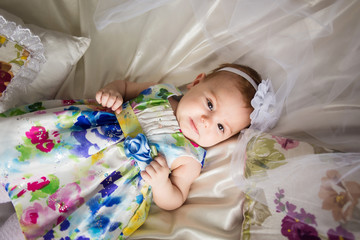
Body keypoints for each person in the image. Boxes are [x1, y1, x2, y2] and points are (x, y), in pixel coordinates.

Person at [0, 63, 262, 239]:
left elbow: (175, 198)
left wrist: (161, 183)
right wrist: (113, 92)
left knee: (36, 221)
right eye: (209, 103)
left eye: (220, 127)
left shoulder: (190, 156)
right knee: (25, 162)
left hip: (101, 187)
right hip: (80, 141)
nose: (205, 120)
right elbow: (125, 87)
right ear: (197, 82)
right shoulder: (163, 91)